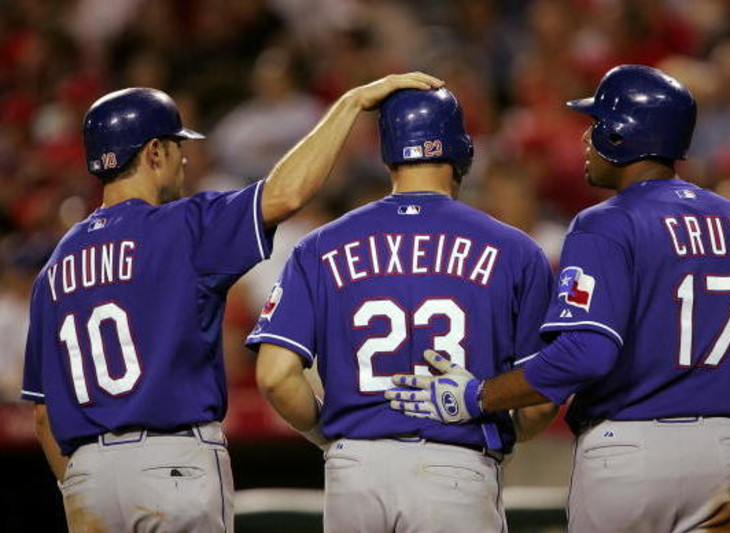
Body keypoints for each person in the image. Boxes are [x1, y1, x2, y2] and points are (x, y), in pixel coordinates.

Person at [21, 72, 443, 532]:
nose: (185, 160)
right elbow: (286, 194)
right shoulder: (181, 227)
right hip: (170, 464)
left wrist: (82, 483)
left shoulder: (56, 267)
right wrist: (350, 104)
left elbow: (44, 416)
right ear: (154, 152)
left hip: (88, 477)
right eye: (178, 147)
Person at [388, 65, 730, 532]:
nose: (585, 140)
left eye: (596, 126)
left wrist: (479, 395)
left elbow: (585, 354)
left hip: (632, 454)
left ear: (622, 136)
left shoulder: (607, 222)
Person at [246, 88, 557, 532]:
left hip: (355, 468)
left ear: (387, 154)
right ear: (462, 153)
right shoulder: (516, 249)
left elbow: (275, 377)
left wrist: (328, 432)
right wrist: (504, 429)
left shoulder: (319, 245)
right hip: (456, 466)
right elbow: (540, 402)